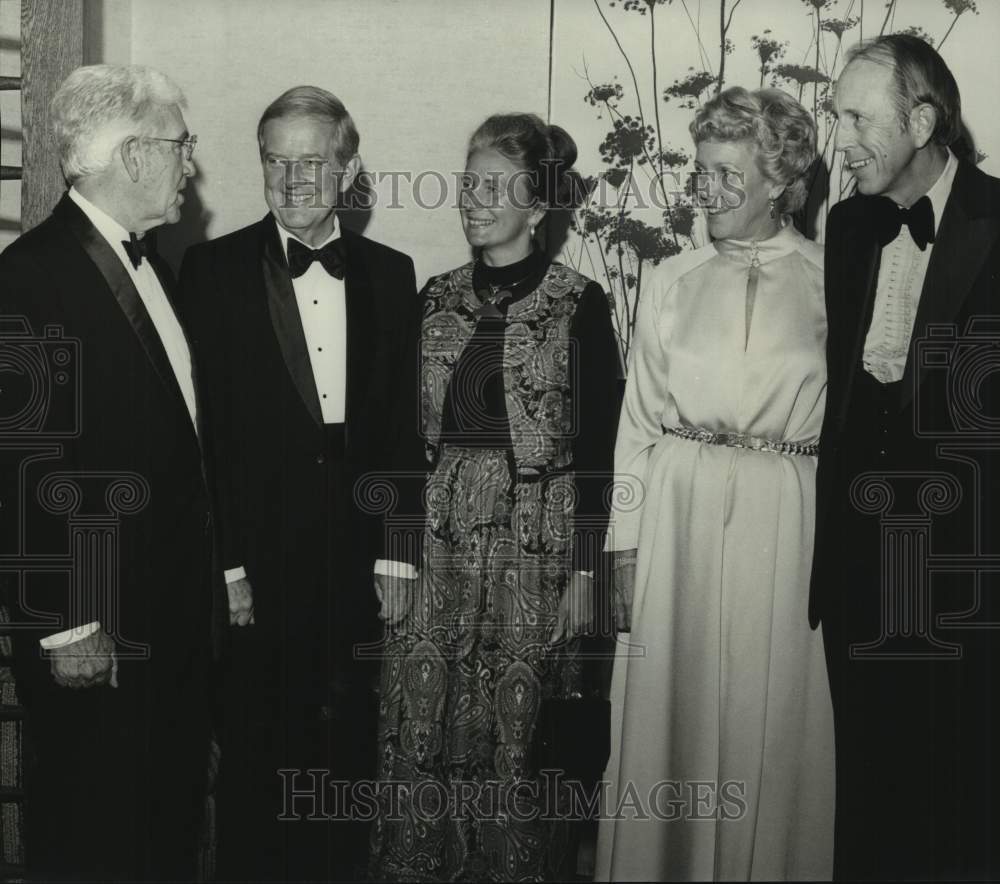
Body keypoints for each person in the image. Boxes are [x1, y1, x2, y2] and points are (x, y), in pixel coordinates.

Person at [367, 113, 620, 882]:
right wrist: (396, 555)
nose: (472, 200)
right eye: (468, 182)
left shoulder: (580, 303)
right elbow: (400, 443)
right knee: (423, 722)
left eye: (493, 186)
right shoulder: (434, 296)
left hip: (536, 546)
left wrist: (586, 574)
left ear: (538, 206)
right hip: (438, 542)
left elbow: (603, 453)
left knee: (522, 735)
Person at [177, 85, 419, 881]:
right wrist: (226, 565)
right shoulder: (209, 269)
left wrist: (398, 553)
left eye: (311, 162)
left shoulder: (391, 273)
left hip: (357, 559)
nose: (292, 180)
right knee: (257, 756)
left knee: (349, 749)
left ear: (348, 168)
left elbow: (398, 430)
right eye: (275, 162)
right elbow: (199, 440)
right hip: (255, 560)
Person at [597, 87, 834, 881]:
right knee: (673, 720)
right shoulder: (670, 278)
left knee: (774, 722)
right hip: (678, 515)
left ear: (780, 180)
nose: (709, 191)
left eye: (731, 174)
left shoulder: (833, 280)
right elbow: (637, 427)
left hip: (787, 516)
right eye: (702, 172)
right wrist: (624, 552)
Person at [0, 64, 213, 879]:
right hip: (96, 631)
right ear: (132, 155)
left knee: (158, 831)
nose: (188, 163)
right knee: (91, 837)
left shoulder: (149, 266)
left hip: (165, 616)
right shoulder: (27, 278)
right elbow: (21, 468)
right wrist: (64, 621)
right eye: (179, 144)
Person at [812, 35, 1000, 880]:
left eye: (858, 116)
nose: (840, 137)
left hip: (961, 581)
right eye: (835, 114)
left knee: (959, 809)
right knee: (869, 797)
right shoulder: (847, 225)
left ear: (922, 120)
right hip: (856, 569)